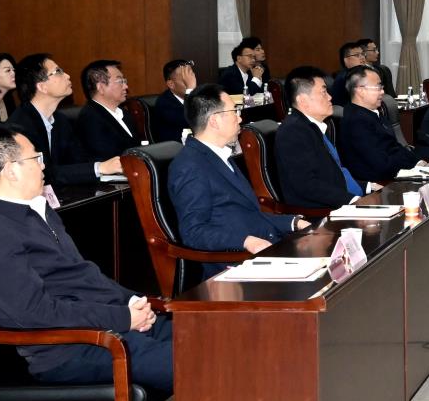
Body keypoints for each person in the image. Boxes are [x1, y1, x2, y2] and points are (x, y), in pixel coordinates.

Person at [0, 127, 173, 392]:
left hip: (102, 328)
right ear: (11, 170)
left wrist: (133, 302)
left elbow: (82, 275)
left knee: (205, 336)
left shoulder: (34, 209)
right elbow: (36, 313)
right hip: (67, 349)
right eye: (36, 158)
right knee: (196, 362)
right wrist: (121, 318)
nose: (43, 165)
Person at [167, 86, 302, 254]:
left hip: (266, 245)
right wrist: (245, 241)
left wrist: (293, 222)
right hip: (236, 258)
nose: (240, 118)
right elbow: (193, 232)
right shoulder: (189, 166)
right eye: (234, 112)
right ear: (215, 120)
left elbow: (248, 214)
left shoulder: (219, 155)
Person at [8, 53, 121, 187]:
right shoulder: (20, 126)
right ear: (42, 87)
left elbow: (78, 161)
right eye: (58, 72)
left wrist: (108, 166)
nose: (67, 76)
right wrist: (100, 167)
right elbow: (44, 173)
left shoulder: (60, 120)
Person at [276, 68, 376, 210]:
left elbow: (334, 175)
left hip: (340, 201)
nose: (330, 97)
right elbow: (306, 185)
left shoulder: (314, 126)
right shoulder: (293, 132)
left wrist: (369, 186)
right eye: (323, 92)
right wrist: (353, 201)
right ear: (303, 100)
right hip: (320, 212)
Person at [337, 65, 421, 184]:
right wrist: (413, 166)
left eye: (382, 87)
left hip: (393, 174)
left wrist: (418, 162)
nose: (383, 92)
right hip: (379, 184)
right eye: (378, 87)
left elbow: (394, 147)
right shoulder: (356, 121)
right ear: (360, 90)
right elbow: (381, 164)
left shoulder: (372, 113)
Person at [76, 59, 140, 162]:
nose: (126, 86)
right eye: (120, 81)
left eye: (125, 81)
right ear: (101, 87)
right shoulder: (90, 119)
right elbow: (105, 160)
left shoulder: (123, 112)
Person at [149, 58, 196, 143]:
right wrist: (190, 89)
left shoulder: (200, 95)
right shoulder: (164, 104)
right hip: (176, 148)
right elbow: (192, 120)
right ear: (171, 84)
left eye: (191, 76)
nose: (192, 82)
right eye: (186, 80)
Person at [217, 37, 271, 106]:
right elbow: (244, 96)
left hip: (247, 107)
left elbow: (261, 93)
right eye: (249, 56)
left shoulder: (250, 72)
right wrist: (256, 78)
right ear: (239, 58)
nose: (253, 60)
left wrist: (258, 78)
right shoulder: (230, 74)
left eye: (254, 57)